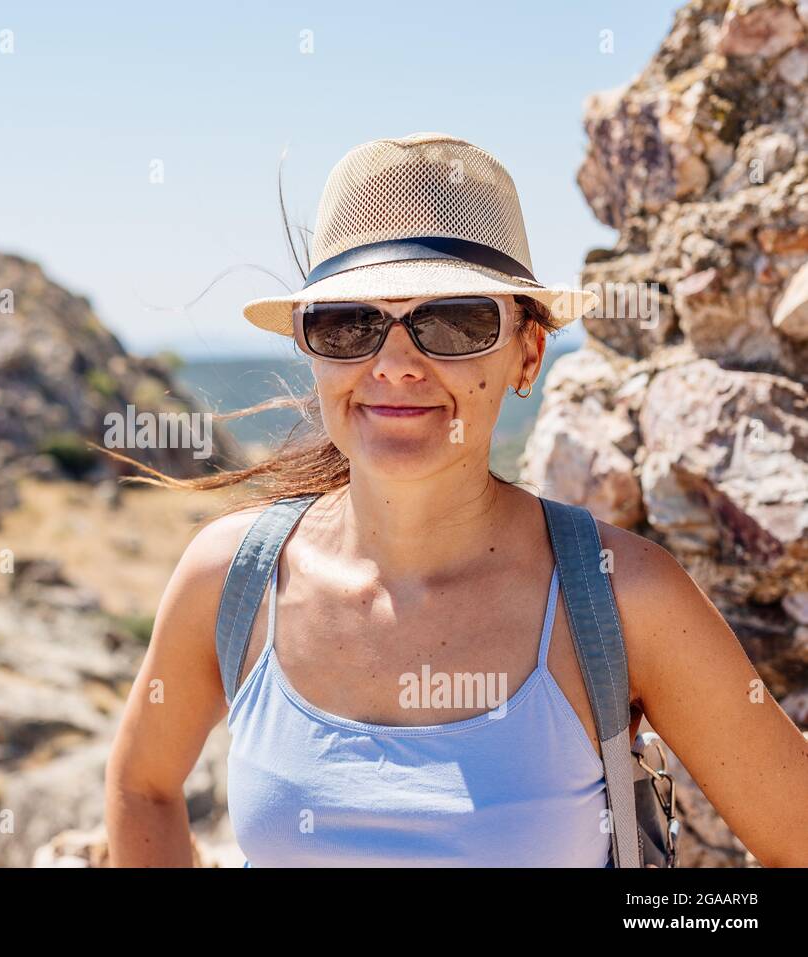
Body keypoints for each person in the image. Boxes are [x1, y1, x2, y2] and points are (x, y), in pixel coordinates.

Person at [103, 132, 808, 867]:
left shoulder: (621, 597)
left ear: (528, 354)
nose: (396, 364)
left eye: (455, 322)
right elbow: (141, 784)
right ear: (311, 350)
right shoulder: (232, 579)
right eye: (349, 324)